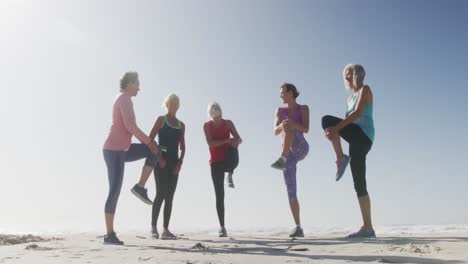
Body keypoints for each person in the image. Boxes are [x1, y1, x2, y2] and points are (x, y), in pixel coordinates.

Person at [102, 71, 159, 245]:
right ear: (130, 83)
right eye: (137, 84)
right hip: (114, 151)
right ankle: (109, 235)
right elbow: (130, 126)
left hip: (123, 149)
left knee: (155, 151)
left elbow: (129, 127)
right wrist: (149, 141)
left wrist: (150, 144)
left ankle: (140, 187)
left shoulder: (125, 99)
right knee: (114, 191)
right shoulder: (124, 99)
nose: (139, 88)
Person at [321, 64, 376, 238]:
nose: (346, 77)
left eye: (349, 73)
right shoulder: (349, 98)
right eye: (345, 75)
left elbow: (358, 114)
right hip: (355, 138)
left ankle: (341, 158)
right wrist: (333, 133)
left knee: (327, 120)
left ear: (358, 74)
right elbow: (347, 122)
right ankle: (368, 228)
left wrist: (335, 128)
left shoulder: (365, 90)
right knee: (359, 183)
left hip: (364, 135)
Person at [271, 83, 310, 238]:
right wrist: (282, 124)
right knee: (291, 189)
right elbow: (275, 131)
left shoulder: (304, 108)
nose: (280, 95)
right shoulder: (280, 111)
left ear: (291, 93)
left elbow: (306, 129)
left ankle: (282, 158)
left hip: (301, 148)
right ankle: (298, 227)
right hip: (289, 154)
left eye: (283, 93)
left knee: (290, 127)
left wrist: (292, 124)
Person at [149, 94, 185, 240]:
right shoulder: (161, 120)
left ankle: (165, 230)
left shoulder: (181, 125)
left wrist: (180, 163)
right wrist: (159, 157)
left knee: (170, 197)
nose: (174, 105)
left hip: (174, 163)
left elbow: (183, 147)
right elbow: (150, 139)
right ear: (167, 104)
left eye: (176, 103)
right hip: (160, 162)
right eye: (172, 103)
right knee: (161, 194)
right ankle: (153, 228)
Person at [203, 102, 242, 237]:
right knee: (220, 195)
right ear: (211, 116)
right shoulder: (207, 126)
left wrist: (234, 141)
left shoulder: (228, 123)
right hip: (215, 163)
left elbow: (239, 138)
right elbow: (210, 143)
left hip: (229, 158)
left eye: (219, 116)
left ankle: (230, 173)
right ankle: (222, 227)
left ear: (221, 113)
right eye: (215, 117)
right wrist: (225, 140)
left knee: (233, 147)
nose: (217, 119)